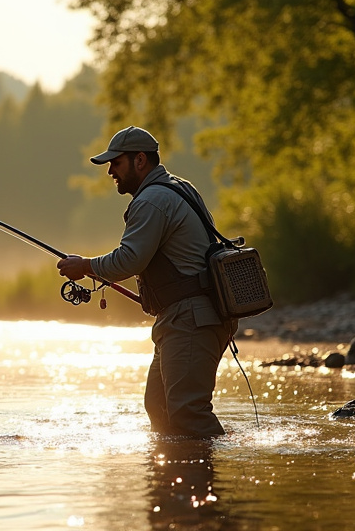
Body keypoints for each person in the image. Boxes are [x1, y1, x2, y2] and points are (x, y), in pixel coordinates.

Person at [56, 126, 236, 438]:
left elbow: (129, 260)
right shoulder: (180, 188)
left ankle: (209, 477)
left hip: (192, 319)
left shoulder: (151, 200)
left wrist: (84, 266)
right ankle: (172, 483)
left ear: (140, 160)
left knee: (187, 412)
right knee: (160, 407)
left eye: (116, 162)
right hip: (191, 315)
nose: (111, 170)